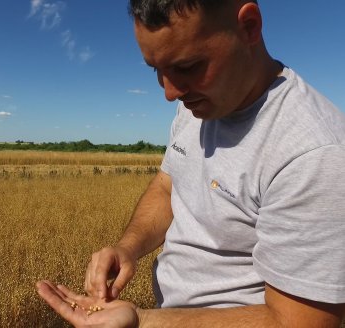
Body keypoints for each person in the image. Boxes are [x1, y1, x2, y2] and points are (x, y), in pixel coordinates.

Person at [37, 0, 345, 326]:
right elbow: (167, 186)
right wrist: (127, 248)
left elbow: (298, 322)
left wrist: (142, 322)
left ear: (249, 27)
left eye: (186, 66)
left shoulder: (314, 153)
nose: (170, 92)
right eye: (157, 70)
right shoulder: (197, 104)